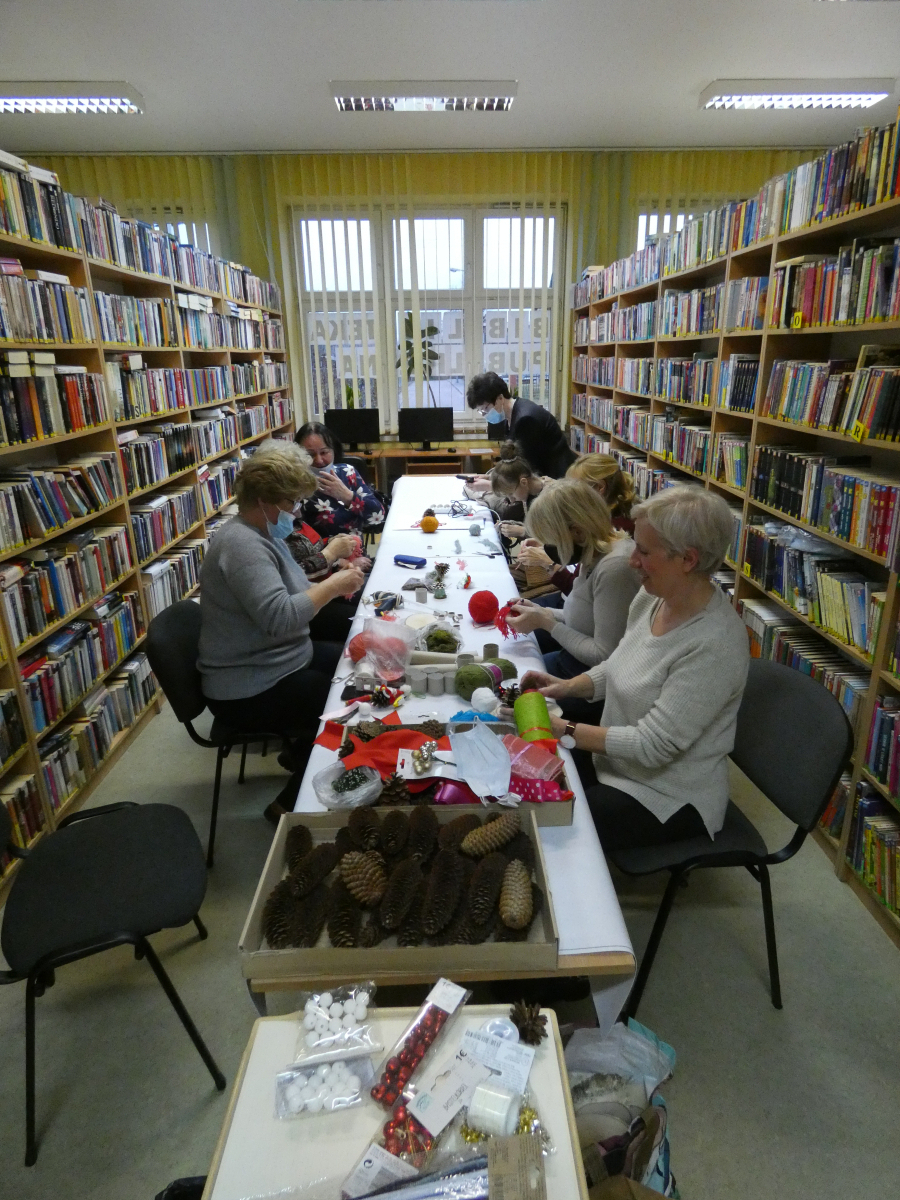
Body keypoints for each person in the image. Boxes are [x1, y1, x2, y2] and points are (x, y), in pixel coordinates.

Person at [521, 486, 750, 852]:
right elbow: (619, 663)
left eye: (643, 551)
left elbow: (652, 745)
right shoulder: (653, 597)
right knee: (529, 772)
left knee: (551, 825)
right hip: (616, 763)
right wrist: (565, 686)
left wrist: (564, 728)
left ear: (688, 559)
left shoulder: (715, 643)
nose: (631, 561)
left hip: (667, 793)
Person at [198, 440, 366, 822]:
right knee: (345, 704)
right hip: (247, 684)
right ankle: (287, 804)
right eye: (292, 502)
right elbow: (280, 617)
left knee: (355, 669)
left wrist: (332, 573)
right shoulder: (242, 545)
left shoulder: (261, 533)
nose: (296, 511)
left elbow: (293, 589)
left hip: (278, 659)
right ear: (264, 500)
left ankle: (301, 751)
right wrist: (333, 586)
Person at [505, 479, 639, 683]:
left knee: (512, 677)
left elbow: (604, 656)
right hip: (575, 661)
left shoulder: (615, 568)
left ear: (577, 532)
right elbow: (584, 618)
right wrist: (541, 612)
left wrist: (546, 623)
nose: (547, 547)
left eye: (550, 540)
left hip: (589, 677)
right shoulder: (592, 551)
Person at [515, 453, 637, 598]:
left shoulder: (613, 529)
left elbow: (580, 591)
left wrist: (548, 563)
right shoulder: (599, 521)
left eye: (574, 489)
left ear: (599, 488)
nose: (568, 496)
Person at [466, 372, 576, 479]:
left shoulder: (525, 419)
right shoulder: (510, 415)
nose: (484, 414)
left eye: (485, 409)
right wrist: (490, 478)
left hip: (556, 480)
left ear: (500, 398)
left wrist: (491, 484)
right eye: (481, 411)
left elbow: (525, 470)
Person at [295, 421, 385, 539]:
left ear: (333, 450)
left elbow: (378, 517)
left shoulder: (347, 472)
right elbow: (293, 536)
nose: (319, 460)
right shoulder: (295, 482)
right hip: (319, 550)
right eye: (310, 454)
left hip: (354, 548)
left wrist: (347, 496)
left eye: (324, 452)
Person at [284, 523, 371, 644]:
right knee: (364, 622)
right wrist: (331, 554)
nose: (294, 512)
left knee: (372, 599)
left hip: (321, 583)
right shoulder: (270, 538)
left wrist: (334, 547)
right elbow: (291, 577)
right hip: (306, 602)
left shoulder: (290, 522)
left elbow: (313, 548)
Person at [488, 441, 550, 542]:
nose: (512, 500)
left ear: (523, 482)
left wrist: (522, 531)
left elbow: (555, 536)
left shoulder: (551, 497)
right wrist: (513, 525)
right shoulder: (531, 493)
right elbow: (537, 526)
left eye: (511, 494)